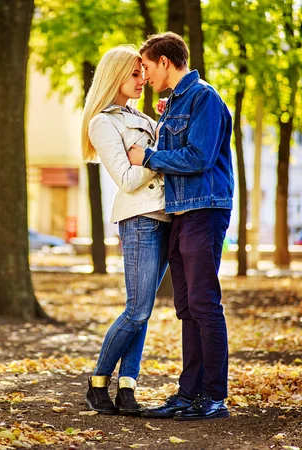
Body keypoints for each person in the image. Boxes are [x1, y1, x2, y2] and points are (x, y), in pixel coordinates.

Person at [128, 32, 234, 421]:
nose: (146, 75)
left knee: (205, 304)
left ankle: (213, 397)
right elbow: (181, 142)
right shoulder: (175, 103)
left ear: (166, 63)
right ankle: (188, 394)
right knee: (187, 306)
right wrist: (165, 118)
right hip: (182, 212)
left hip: (204, 209)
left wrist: (150, 157)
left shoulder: (205, 96)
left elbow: (199, 157)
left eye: (148, 67)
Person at [81, 45, 170, 416]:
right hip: (138, 219)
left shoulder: (144, 118)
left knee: (144, 311)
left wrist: (162, 130)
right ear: (116, 75)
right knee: (135, 310)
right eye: (135, 74)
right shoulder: (103, 122)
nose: (143, 80)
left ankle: (128, 388)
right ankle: (98, 382)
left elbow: (158, 157)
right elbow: (128, 178)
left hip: (165, 216)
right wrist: (154, 155)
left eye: (142, 73)